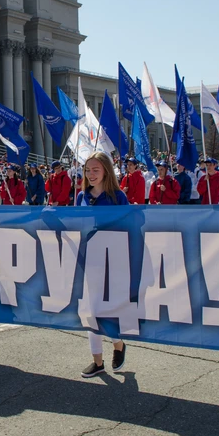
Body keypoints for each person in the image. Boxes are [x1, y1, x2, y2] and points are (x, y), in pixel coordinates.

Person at [76, 152, 129, 378]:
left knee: (104, 310)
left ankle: (118, 343)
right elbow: (76, 224)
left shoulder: (118, 197)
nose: (91, 174)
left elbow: (130, 226)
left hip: (112, 261)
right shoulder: (81, 196)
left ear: (106, 171)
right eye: (88, 170)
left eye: (96, 169)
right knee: (89, 311)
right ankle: (97, 361)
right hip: (88, 259)